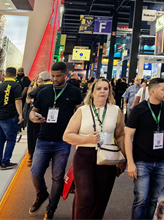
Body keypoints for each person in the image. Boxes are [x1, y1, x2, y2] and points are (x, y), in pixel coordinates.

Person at [63, 78, 126, 219]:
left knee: (100, 199)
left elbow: (120, 136)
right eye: (99, 88)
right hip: (84, 156)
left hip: (107, 158)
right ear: (92, 92)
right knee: (85, 196)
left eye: (106, 89)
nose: (102, 91)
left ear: (109, 92)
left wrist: (124, 158)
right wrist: (87, 139)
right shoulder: (83, 111)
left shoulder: (116, 110)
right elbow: (67, 136)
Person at [29, 62, 83, 220]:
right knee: (35, 173)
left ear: (66, 74)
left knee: (57, 177)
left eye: (58, 76)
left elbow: (80, 113)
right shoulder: (44, 92)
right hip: (43, 139)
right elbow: (33, 111)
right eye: (52, 76)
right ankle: (41, 194)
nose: (55, 79)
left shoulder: (74, 92)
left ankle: (51, 208)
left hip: (63, 141)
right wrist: (33, 118)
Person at [125, 78, 164, 220]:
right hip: (142, 161)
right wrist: (130, 163)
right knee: (141, 199)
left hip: (161, 160)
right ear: (152, 91)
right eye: (163, 89)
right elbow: (128, 136)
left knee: (155, 199)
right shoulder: (139, 110)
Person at [0, 66, 23, 170]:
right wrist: (20, 115)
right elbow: (18, 101)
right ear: (15, 75)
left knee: (0, 138)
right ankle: (5, 162)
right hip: (9, 116)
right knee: (10, 139)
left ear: (5, 74)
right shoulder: (16, 85)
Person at [27, 71, 51, 165]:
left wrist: (31, 87)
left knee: (33, 135)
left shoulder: (41, 88)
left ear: (40, 79)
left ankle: (32, 155)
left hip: (37, 114)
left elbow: (29, 96)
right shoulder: (56, 87)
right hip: (50, 115)